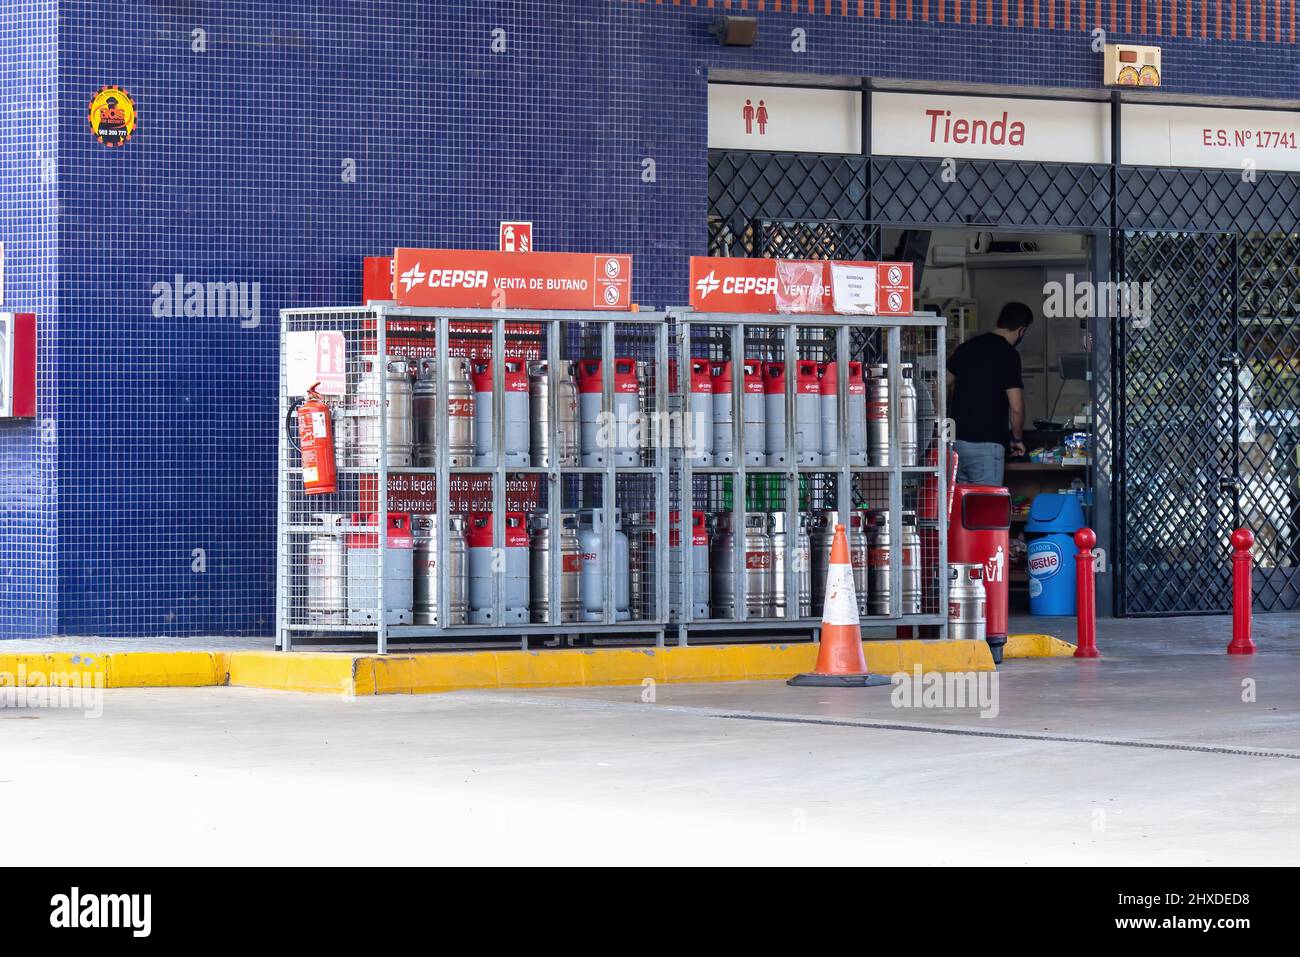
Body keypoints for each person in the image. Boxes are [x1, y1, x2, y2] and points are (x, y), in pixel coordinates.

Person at [945, 301, 1033, 486]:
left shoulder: (965, 348)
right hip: (987, 445)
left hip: (956, 444)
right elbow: (1016, 407)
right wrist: (1017, 439)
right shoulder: (1008, 354)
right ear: (1021, 331)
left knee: (963, 508)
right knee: (986, 507)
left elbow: (940, 385)